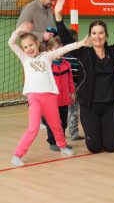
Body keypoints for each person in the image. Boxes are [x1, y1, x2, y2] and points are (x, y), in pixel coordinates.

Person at [54, 0, 114, 153]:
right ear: (90, 35)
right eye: (94, 33)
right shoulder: (84, 53)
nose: (97, 36)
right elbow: (65, 37)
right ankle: (96, 133)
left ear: (106, 35)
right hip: (89, 106)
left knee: (111, 147)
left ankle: (105, 132)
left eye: (101, 33)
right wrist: (58, 14)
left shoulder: (112, 51)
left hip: (109, 105)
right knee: (94, 148)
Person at [8, 22, 89, 166]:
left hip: (50, 97)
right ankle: (18, 155)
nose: (29, 49)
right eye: (25, 47)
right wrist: (19, 31)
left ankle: (62, 146)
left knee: (56, 124)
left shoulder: (47, 56)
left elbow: (64, 48)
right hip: (34, 98)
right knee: (33, 128)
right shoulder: (25, 58)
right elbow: (11, 42)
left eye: (31, 45)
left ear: (37, 43)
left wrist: (80, 43)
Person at [42, 37, 75, 151]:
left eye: (61, 49)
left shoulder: (67, 64)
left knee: (63, 122)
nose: (59, 52)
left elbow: (70, 80)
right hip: (52, 101)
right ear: (49, 50)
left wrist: (72, 92)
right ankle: (52, 142)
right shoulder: (47, 66)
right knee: (52, 123)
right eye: (56, 49)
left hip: (64, 99)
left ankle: (62, 141)